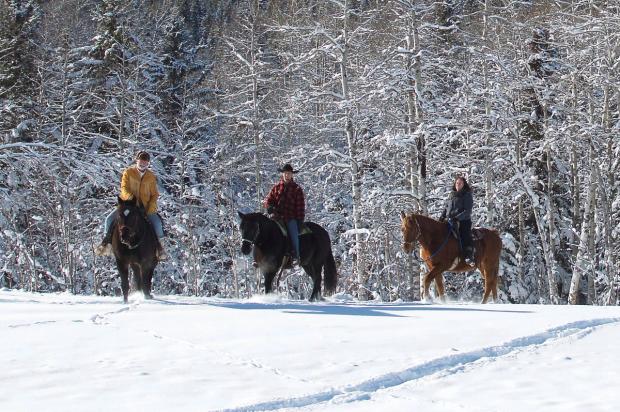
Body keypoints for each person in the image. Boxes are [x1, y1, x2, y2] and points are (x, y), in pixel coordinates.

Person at [95, 151, 166, 260]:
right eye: (141, 162)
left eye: (145, 163)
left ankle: (160, 248)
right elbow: (124, 188)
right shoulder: (128, 172)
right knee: (109, 219)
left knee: (157, 223)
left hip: (145, 207)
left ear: (148, 164)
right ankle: (106, 244)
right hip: (128, 205)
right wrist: (131, 199)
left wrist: (151, 205)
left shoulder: (151, 176)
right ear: (136, 161)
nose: (143, 165)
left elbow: (154, 194)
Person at [262, 163, 305, 264]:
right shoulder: (276, 187)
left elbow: (300, 206)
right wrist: (269, 207)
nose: (287, 175)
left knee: (294, 234)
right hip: (276, 217)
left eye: (289, 173)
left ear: (292, 175)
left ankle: (295, 256)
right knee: (263, 230)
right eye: (285, 173)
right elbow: (268, 200)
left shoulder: (297, 189)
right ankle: (262, 254)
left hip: (290, 217)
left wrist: (299, 220)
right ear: (282, 174)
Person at [439, 175, 475, 266]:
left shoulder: (467, 195)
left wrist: (457, 218)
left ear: (464, 184)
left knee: (464, 235)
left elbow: (468, 210)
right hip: (449, 221)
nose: (458, 185)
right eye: (457, 183)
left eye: (460, 183)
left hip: (463, 221)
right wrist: (442, 217)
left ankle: (469, 255)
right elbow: (446, 208)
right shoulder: (451, 195)